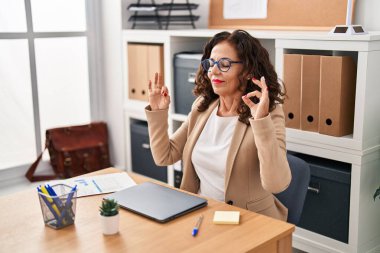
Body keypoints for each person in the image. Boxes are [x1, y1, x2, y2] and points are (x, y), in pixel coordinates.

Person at [145, 30, 291, 221]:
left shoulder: (268, 112)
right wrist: (158, 113)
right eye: (210, 63)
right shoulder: (203, 107)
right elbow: (165, 156)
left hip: (250, 221)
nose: (212, 71)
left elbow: (277, 184)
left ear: (247, 71)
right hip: (202, 215)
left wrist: (261, 121)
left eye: (224, 64)